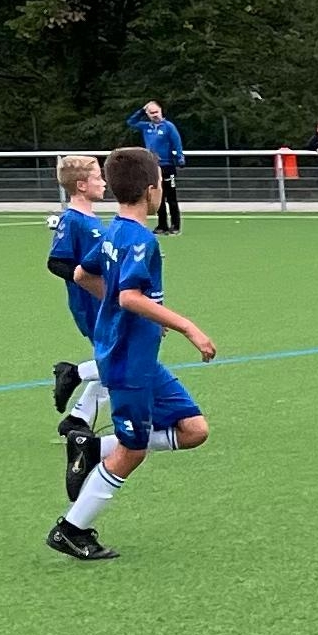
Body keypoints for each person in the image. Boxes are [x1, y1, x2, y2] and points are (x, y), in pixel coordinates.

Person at [47, 147, 217, 560]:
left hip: (139, 358)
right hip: (128, 363)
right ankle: (71, 529)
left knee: (194, 430)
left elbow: (83, 274)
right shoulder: (140, 239)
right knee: (133, 451)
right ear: (151, 190)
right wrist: (187, 326)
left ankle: (91, 448)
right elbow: (128, 296)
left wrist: (132, 311)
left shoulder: (113, 231)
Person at [47, 156, 110, 437]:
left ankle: (77, 419)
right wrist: (87, 280)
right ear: (82, 185)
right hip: (92, 303)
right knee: (123, 360)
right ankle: (73, 373)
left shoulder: (92, 220)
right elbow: (56, 262)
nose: (104, 183)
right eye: (98, 177)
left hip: (105, 300)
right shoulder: (72, 219)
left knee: (117, 360)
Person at [126, 100, 186, 234]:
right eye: (151, 113)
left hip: (167, 166)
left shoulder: (168, 126)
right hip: (152, 166)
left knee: (171, 197)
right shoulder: (146, 127)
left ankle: (175, 225)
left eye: (156, 112)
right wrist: (141, 110)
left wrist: (180, 157)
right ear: (147, 114)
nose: (155, 115)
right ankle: (162, 225)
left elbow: (177, 143)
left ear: (161, 111)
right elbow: (131, 122)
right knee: (158, 197)